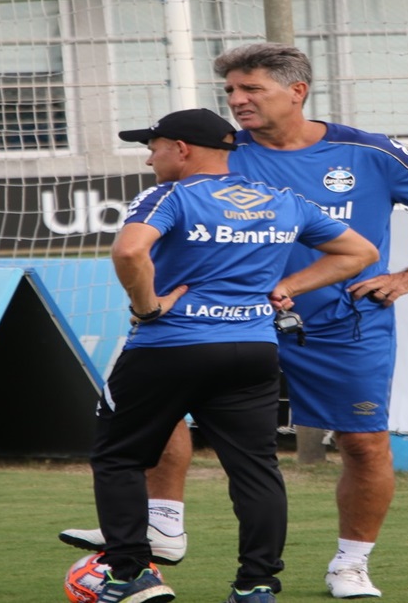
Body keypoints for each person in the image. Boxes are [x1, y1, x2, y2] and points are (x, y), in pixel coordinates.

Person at [65, 44, 408, 599]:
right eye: (232, 92)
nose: (237, 101)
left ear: (297, 91)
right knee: (162, 405)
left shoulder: (367, 152)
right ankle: (164, 524)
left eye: (251, 89)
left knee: (363, 444)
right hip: (235, 325)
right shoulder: (220, 152)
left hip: (341, 324)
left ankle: (350, 565)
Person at [88, 107, 380, 603]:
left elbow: (129, 252)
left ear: (180, 148)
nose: (149, 160)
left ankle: (131, 574)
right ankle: (257, 583)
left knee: (118, 457)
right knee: (255, 469)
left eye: (152, 148)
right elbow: (360, 253)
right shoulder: (283, 200)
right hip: (252, 351)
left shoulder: (170, 195)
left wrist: (149, 308)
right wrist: (285, 286)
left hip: (168, 347)